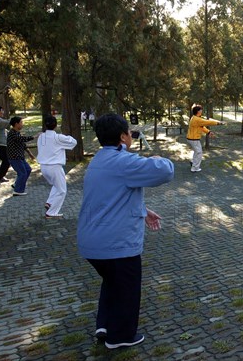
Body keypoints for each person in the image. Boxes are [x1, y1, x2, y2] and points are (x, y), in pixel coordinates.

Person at [77, 113, 174, 349]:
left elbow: (112, 196)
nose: (131, 135)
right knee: (127, 289)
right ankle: (120, 337)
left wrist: (143, 210)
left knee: (112, 281)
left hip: (93, 241)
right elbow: (165, 171)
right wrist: (159, 156)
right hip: (116, 244)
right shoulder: (123, 162)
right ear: (123, 136)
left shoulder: (100, 159)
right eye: (129, 131)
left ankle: (105, 324)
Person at [37, 115, 78, 218]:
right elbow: (74, 142)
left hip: (43, 167)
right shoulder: (58, 137)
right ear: (56, 125)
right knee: (62, 190)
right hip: (54, 167)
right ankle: (51, 212)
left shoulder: (41, 136)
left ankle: (49, 202)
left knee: (56, 185)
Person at [186, 104, 223, 172]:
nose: (202, 111)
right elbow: (207, 122)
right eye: (200, 110)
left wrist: (208, 132)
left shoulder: (195, 118)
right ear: (198, 111)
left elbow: (202, 127)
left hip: (192, 138)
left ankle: (193, 162)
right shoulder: (196, 119)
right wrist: (218, 123)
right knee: (199, 152)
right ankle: (195, 168)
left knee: (197, 151)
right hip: (194, 139)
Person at [7, 117, 35, 196]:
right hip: (14, 157)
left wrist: (30, 154)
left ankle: (17, 184)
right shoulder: (12, 133)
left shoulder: (17, 132)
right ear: (16, 124)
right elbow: (22, 139)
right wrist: (34, 137)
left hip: (20, 157)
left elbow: (23, 144)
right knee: (22, 173)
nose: (22, 124)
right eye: (21, 122)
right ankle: (18, 191)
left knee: (28, 169)